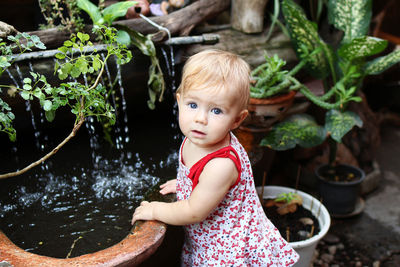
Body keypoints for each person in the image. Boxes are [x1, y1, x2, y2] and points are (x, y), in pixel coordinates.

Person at [131, 49, 299, 266]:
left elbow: (194, 212)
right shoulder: (198, 136)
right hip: (209, 240)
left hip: (227, 251)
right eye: (193, 105)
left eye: (216, 111)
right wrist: (186, 184)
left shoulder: (221, 164)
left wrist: (156, 209)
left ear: (237, 120)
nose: (200, 119)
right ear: (179, 101)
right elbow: (198, 180)